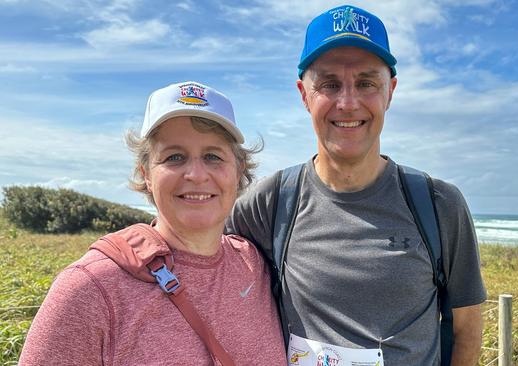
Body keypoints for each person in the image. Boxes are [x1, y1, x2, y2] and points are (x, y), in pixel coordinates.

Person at [226, 5, 486, 366]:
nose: (347, 103)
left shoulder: (439, 204)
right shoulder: (271, 201)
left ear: (390, 92)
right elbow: (196, 252)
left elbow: (467, 330)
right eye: (329, 84)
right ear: (304, 95)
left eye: (366, 83)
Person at [19, 81, 286, 365]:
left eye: (213, 156)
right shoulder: (92, 289)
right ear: (146, 173)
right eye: (174, 157)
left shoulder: (253, 264)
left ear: (238, 170)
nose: (196, 174)